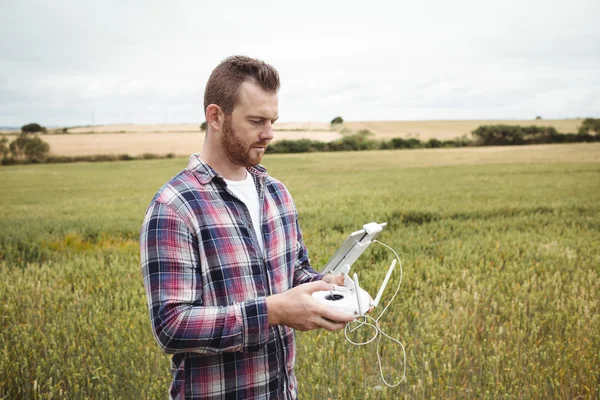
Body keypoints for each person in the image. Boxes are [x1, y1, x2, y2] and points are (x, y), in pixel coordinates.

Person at [140, 55, 355, 400]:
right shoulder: (174, 207)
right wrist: (273, 311)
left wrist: (321, 287)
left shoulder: (276, 193)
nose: (269, 134)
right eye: (256, 120)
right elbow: (171, 326)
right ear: (216, 117)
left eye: (273, 120)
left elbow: (294, 272)